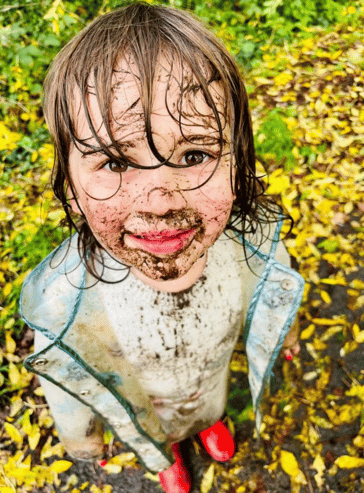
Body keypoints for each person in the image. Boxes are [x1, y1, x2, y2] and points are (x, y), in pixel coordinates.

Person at [18, 3, 304, 492]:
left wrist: (289, 333)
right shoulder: (64, 302)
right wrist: (81, 439)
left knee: (207, 399)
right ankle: (166, 450)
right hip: (147, 402)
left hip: (208, 378)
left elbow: (277, 282)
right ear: (69, 184)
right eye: (113, 161)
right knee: (157, 425)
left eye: (193, 155)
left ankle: (209, 423)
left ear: (240, 161)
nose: (158, 202)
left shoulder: (252, 245)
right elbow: (65, 383)